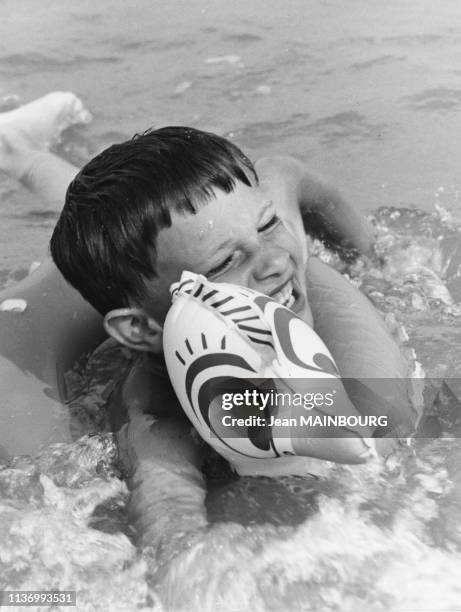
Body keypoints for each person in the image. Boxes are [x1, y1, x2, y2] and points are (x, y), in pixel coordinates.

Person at [0, 93, 417, 568]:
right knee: (124, 245)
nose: (276, 262)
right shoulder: (151, 407)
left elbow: (285, 174)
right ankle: (17, 150)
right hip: (170, 291)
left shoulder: (269, 237)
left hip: (209, 239)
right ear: (140, 331)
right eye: (225, 263)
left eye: (268, 226)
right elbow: (168, 515)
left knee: (172, 228)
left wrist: (374, 263)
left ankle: (16, 151)